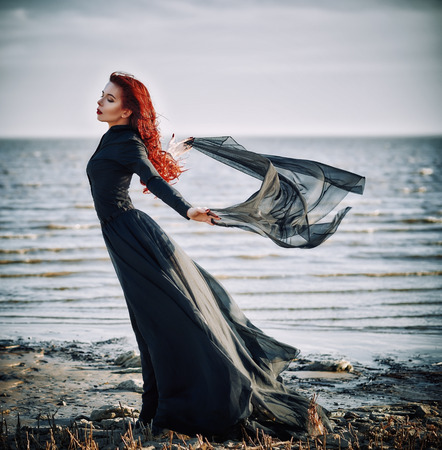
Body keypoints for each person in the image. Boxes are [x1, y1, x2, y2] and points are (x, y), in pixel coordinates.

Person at [87, 72, 364, 440]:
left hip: (132, 236)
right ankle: (152, 410)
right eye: (102, 95)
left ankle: (191, 402)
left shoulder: (126, 142)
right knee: (145, 324)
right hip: (123, 235)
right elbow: (144, 166)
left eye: (108, 98)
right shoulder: (117, 137)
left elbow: (152, 180)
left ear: (126, 111)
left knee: (160, 323)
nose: (100, 101)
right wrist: (168, 154)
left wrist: (188, 210)